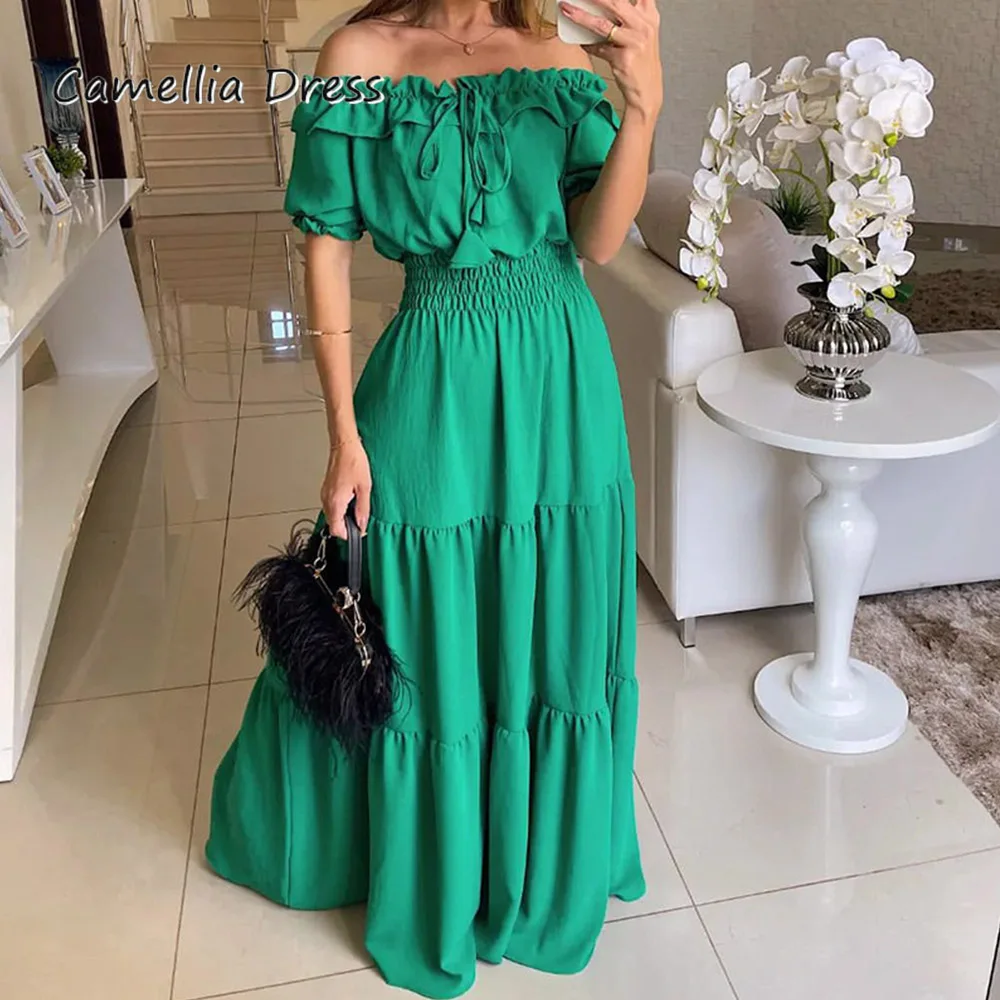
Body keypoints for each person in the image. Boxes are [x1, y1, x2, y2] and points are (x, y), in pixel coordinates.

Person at [206, 0, 662, 995]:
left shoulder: (557, 55)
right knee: (417, 624)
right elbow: (326, 244)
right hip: (430, 375)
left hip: (561, 383)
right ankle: (432, 872)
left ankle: (537, 867)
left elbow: (597, 241)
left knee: (551, 628)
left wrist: (642, 107)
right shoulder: (361, 53)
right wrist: (343, 433)